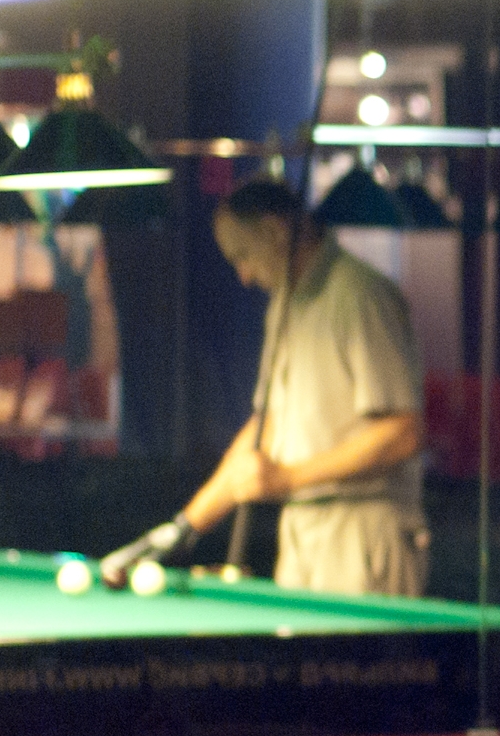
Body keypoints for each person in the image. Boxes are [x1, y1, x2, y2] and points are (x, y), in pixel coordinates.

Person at [106, 181, 427, 595]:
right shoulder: (284, 302)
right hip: (301, 532)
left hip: (363, 534)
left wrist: (289, 478)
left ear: (277, 231)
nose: (243, 276)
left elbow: (403, 433)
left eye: (242, 255)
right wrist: (183, 528)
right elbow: (268, 428)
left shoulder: (361, 297)